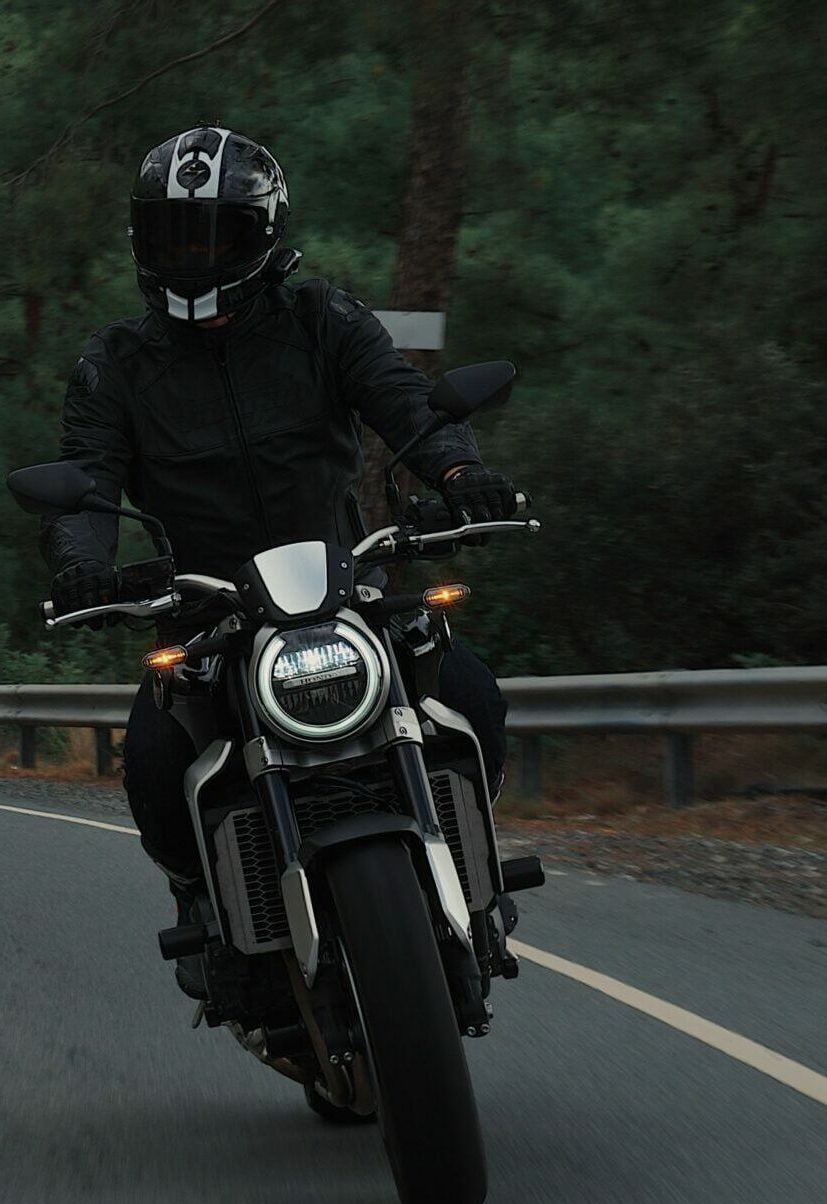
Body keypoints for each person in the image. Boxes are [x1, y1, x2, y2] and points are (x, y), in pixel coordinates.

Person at [41, 125, 520, 992]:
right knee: (153, 756)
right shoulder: (115, 364)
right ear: (142, 243)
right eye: (172, 237)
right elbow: (84, 480)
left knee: (469, 690)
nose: (192, 258)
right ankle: (205, 901)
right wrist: (83, 562)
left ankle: (471, 877)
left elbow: (405, 404)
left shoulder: (323, 319)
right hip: (207, 614)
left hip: (345, 589)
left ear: (261, 234)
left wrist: (462, 473)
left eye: (214, 234)